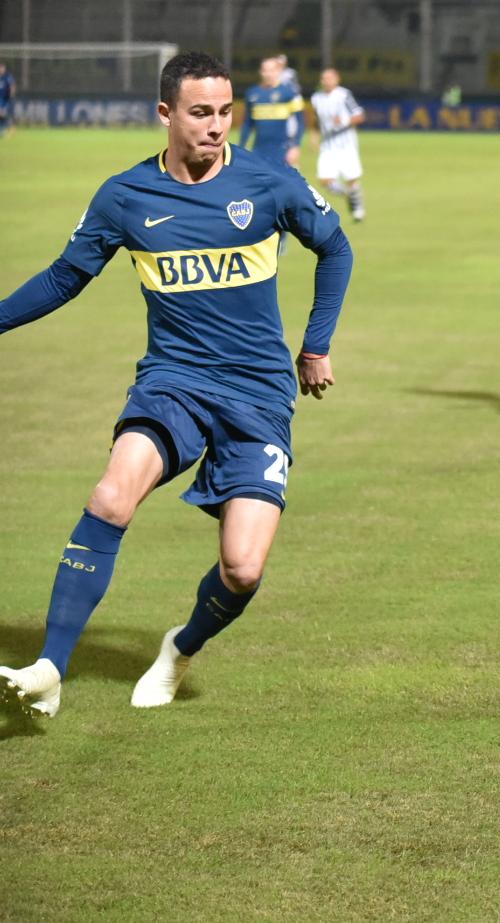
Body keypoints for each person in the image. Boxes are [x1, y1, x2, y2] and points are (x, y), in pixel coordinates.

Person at [0, 51, 353, 718]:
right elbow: (62, 277)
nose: (216, 126)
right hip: (174, 382)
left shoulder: (269, 183)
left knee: (243, 569)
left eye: (224, 111)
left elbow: (336, 247)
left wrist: (316, 344)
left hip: (257, 395)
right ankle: (50, 666)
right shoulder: (125, 196)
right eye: (200, 112)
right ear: (165, 113)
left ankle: (180, 648)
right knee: (110, 495)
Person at [310, 67, 366, 222]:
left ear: (337, 79)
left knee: (352, 179)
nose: (326, 81)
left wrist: (343, 121)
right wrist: (314, 137)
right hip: (328, 146)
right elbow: (316, 121)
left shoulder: (343, 95)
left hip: (346, 145)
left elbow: (360, 115)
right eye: (323, 78)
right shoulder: (316, 98)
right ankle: (348, 194)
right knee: (325, 180)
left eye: (329, 78)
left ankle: (358, 210)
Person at [240, 56, 304, 168]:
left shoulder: (290, 93)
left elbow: (300, 122)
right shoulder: (252, 93)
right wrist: (242, 146)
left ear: (279, 71)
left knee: (287, 184)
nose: (268, 74)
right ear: (260, 72)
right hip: (258, 150)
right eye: (265, 70)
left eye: (272, 70)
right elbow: (247, 124)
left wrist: (295, 146)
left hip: (283, 150)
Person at [0, 61, 16, 137]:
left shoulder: (7, 76)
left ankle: (5, 128)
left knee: (2, 113)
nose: (1, 69)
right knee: (2, 113)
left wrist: (11, 95)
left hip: (5, 98)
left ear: (4, 69)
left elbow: (12, 86)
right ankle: (5, 128)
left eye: (2, 68)